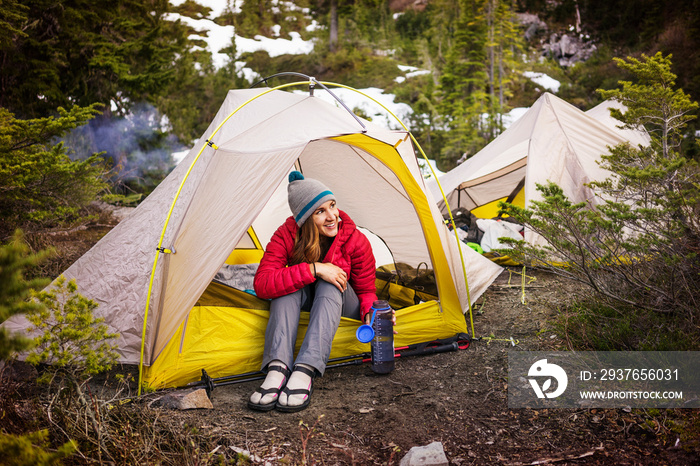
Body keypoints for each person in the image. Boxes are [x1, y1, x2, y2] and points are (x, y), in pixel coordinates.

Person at [248, 171, 379, 412]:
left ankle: (305, 369)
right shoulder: (286, 234)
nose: (332, 217)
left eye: (332, 206)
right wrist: (314, 269)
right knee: (286, 285)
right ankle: (277, 368)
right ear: (306, 218)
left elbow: (367, 290)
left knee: (332, 281)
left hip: (339, 305)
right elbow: (263, 284)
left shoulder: (355, 240)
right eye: (320, 212)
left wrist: (372, 311)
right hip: (308, 301)